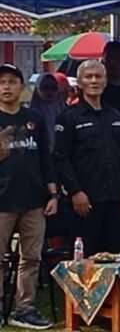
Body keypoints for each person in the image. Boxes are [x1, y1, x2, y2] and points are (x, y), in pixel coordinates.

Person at [54, 60, 120, 257]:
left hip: (114, 198)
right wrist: (75, 191)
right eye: (88, 77)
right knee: (85, 259)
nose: (94, 81)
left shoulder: (115, 115)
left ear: (106, 81)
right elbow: (61, 158)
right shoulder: (68, 118)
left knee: (116, 257)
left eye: (98, 76)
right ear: (80, 82)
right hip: (86, 201)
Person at [0, 64, 58, 330]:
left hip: (34, 200)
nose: (6, 86)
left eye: (12, 81)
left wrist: (53, 192)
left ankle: (25, 308)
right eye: (2, 82)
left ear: (22, 87)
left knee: (31, 258)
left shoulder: (33, 118)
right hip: (2, 200)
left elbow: (45, 158)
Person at [30, 73, 66, 151]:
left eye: (54, 88)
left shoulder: (67, 113)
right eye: (45, 88)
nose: (50, 92)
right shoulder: (30, 116)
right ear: (37, 89)